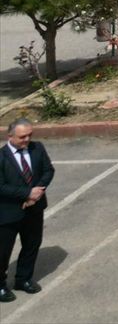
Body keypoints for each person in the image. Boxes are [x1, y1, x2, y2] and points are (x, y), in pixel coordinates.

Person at [0, 118, 53, 301]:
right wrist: (26, 194)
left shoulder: (37, 148)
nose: (27, 140)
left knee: (31, 244)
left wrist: (37, 192)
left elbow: (48, 171)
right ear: (10, 136)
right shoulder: (1, 157)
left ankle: (23, 279)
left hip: (34, 208)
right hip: (8, 213)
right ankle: (0, 284)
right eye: (22, 137)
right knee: (3, 251)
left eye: (30, 135)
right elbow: (1, 187)